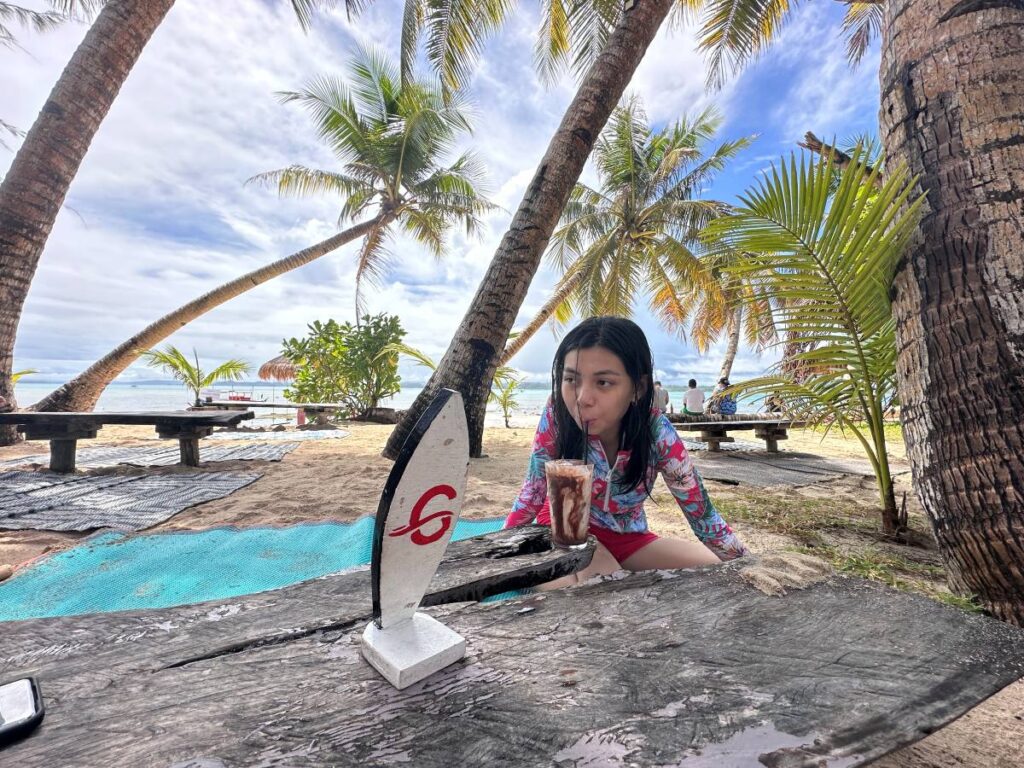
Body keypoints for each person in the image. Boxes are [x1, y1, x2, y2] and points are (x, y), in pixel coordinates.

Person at [504, 316, 748, 587]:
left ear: (638, 388)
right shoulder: (557, 415)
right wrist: (501, 552)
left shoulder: (657, 434)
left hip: (628, 537)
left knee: (719, 570)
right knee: (604, 587)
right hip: (565, 530)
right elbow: (533, 492)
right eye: (571, 379)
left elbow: (703, 516)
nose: (582, 398)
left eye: (603, 382)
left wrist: (753, 567)